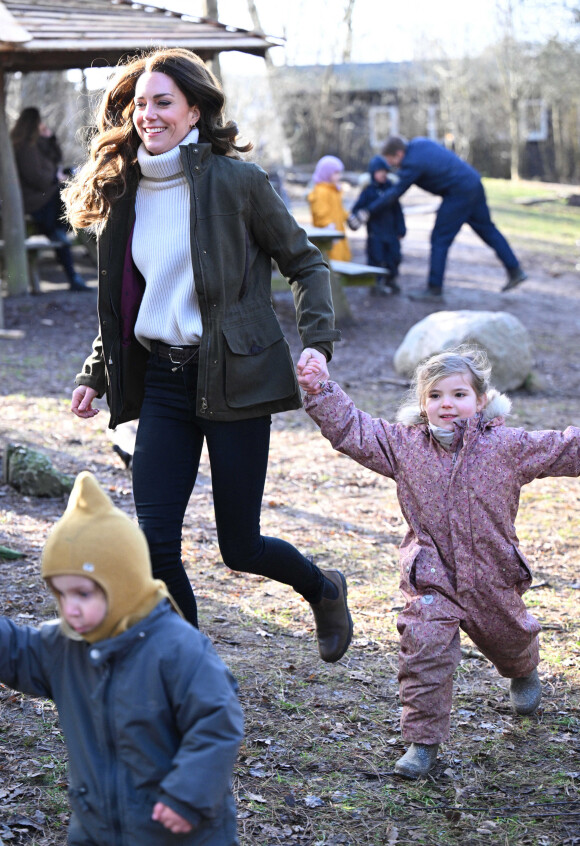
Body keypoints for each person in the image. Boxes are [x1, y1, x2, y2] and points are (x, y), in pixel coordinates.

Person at [62, 47, 352, 664]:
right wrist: (96, 374)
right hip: (163, 383)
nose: (148, 114)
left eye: (163, 102)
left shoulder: (238, 184)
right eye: (140, 104)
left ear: (195, 111)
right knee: (155, 544)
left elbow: (305, 264)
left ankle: (324, 590)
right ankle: (190, 673)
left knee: (239, 548)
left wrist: (317, 346)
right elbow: (127, 302)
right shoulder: (124, 192)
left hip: (235, 379)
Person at [299, 346, 580, 779]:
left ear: (481, 400)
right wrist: (320, 388)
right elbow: (352, 428)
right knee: (424, 650)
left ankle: (523, 670)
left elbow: (564, 448)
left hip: (493, 574)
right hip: (431, 576)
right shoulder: (403, 445)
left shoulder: (508, 446)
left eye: (458, 394)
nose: (446, 403)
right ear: (422, 402)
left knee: (509, 638)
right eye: (435, 395)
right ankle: (423, 742)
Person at [0, 471, 244, 844]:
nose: (71, 610)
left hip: (177, 830)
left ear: (124, 583)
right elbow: (15, 652)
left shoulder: (178, 648)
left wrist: (187, 795)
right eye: (61, 595)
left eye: (83, 594)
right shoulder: (63, 646)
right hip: (96, 827)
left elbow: (216, 721)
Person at [374, 135, 528, 301]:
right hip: (473, 182)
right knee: (488, 230)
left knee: (440, 239)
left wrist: (369, 210)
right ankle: (515, 270)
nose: (390, 165)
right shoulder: (420, 143)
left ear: (398, 154)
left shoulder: (412, 162)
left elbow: (395, 192)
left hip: (458, 193)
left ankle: (434, 289)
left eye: (391, 160)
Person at [10, 107, 90, 292]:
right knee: (67, 192)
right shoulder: (24, 147)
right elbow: (37, 177)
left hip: (45, 198)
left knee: (66, 198)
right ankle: (69, 230)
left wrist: (51, 138)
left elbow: (55, 160)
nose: (42, 125)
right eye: (39, 122)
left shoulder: (35, 144)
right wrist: (55, 178)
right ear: (33, 123)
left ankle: (64, 231)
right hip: (35, 201)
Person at [348, 154, 406, 295]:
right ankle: (376, 283)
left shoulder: (391, 189)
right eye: (380, 172)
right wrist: (358, 216)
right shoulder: (368, 191)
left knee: (394, 257)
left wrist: (401, 229)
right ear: (373, 173)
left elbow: (398, 211)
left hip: (391, 232)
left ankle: (390, 280)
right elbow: (357, 210)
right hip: (375, 234)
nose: (383, 174)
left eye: (385, 172)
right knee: (376, 258)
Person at [307, 155, 352, 261]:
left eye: (339, 173)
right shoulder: (320, 191)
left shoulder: (335, 191)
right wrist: (328, 227)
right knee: (330, 260)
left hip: (338, 232)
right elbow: (320, 213)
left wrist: (348, 217)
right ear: (326, 173)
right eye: (336, 173)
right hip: (327, 235)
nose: (339, 176)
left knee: (341, 259)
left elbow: (339, 210)